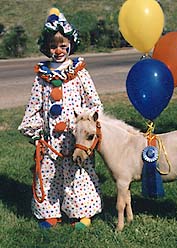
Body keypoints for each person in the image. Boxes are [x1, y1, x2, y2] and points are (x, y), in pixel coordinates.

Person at [18, 8, 103, 230]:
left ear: (70, 45)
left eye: (63, 46)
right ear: (47, 47)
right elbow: (35, 105)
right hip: (50, 140)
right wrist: (36, 132)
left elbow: (93, 101)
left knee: (78, 174)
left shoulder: (79, 72)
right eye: (53, 46)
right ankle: (49, 213)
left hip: (74, 138)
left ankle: (81, 213)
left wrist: (86, 122)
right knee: (48, 175)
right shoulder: (42, 77)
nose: (58, 50)